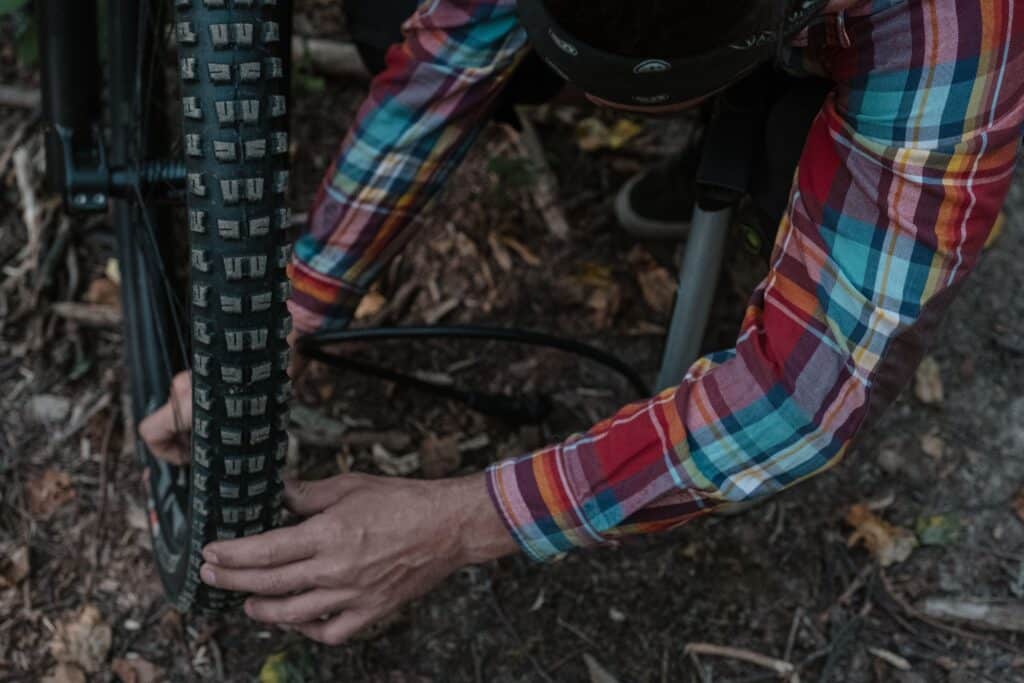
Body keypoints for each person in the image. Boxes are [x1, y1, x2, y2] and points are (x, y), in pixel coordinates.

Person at [139, 0, 1024, 645]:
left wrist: (463, 521)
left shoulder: (955, 24)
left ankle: (761, 161)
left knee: (793, 172)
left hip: (849, 47)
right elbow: (444, 66)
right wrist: (292, 307)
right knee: (388, 16)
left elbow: (806, 388)